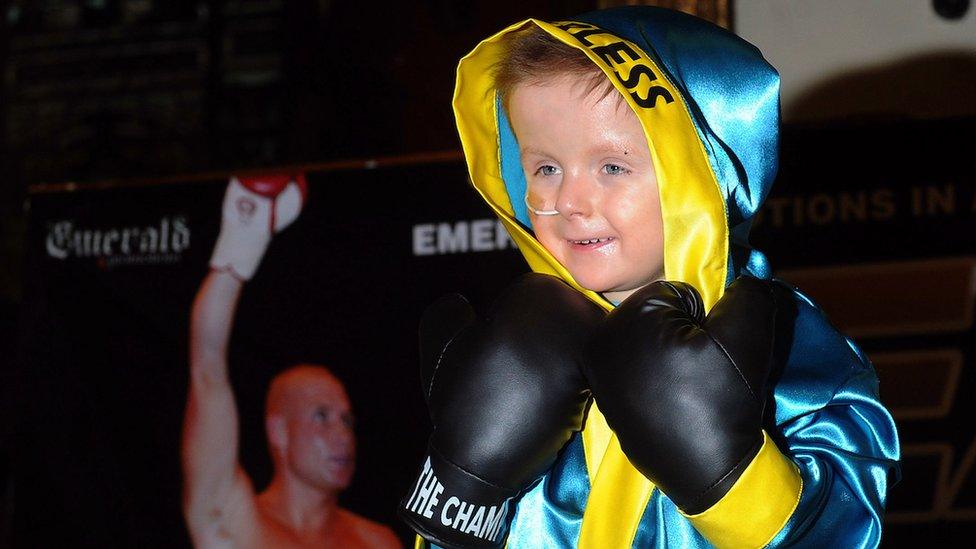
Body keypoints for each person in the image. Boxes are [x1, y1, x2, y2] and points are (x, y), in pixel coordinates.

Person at [400, 6, 899, 548]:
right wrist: (461, 489)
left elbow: (848, 530)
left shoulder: (788, 347)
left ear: (700, 173)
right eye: (544, 168)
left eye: (611, 167)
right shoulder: (516, 347)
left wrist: (731, 478)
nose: (568, 201)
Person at [182, 175, 401, 548]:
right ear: (278, 431)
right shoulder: (235, 523)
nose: (343, 435)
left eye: (346, 420)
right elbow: (207, 369)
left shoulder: (377, 542)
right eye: (321, 416)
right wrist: (238, 249)